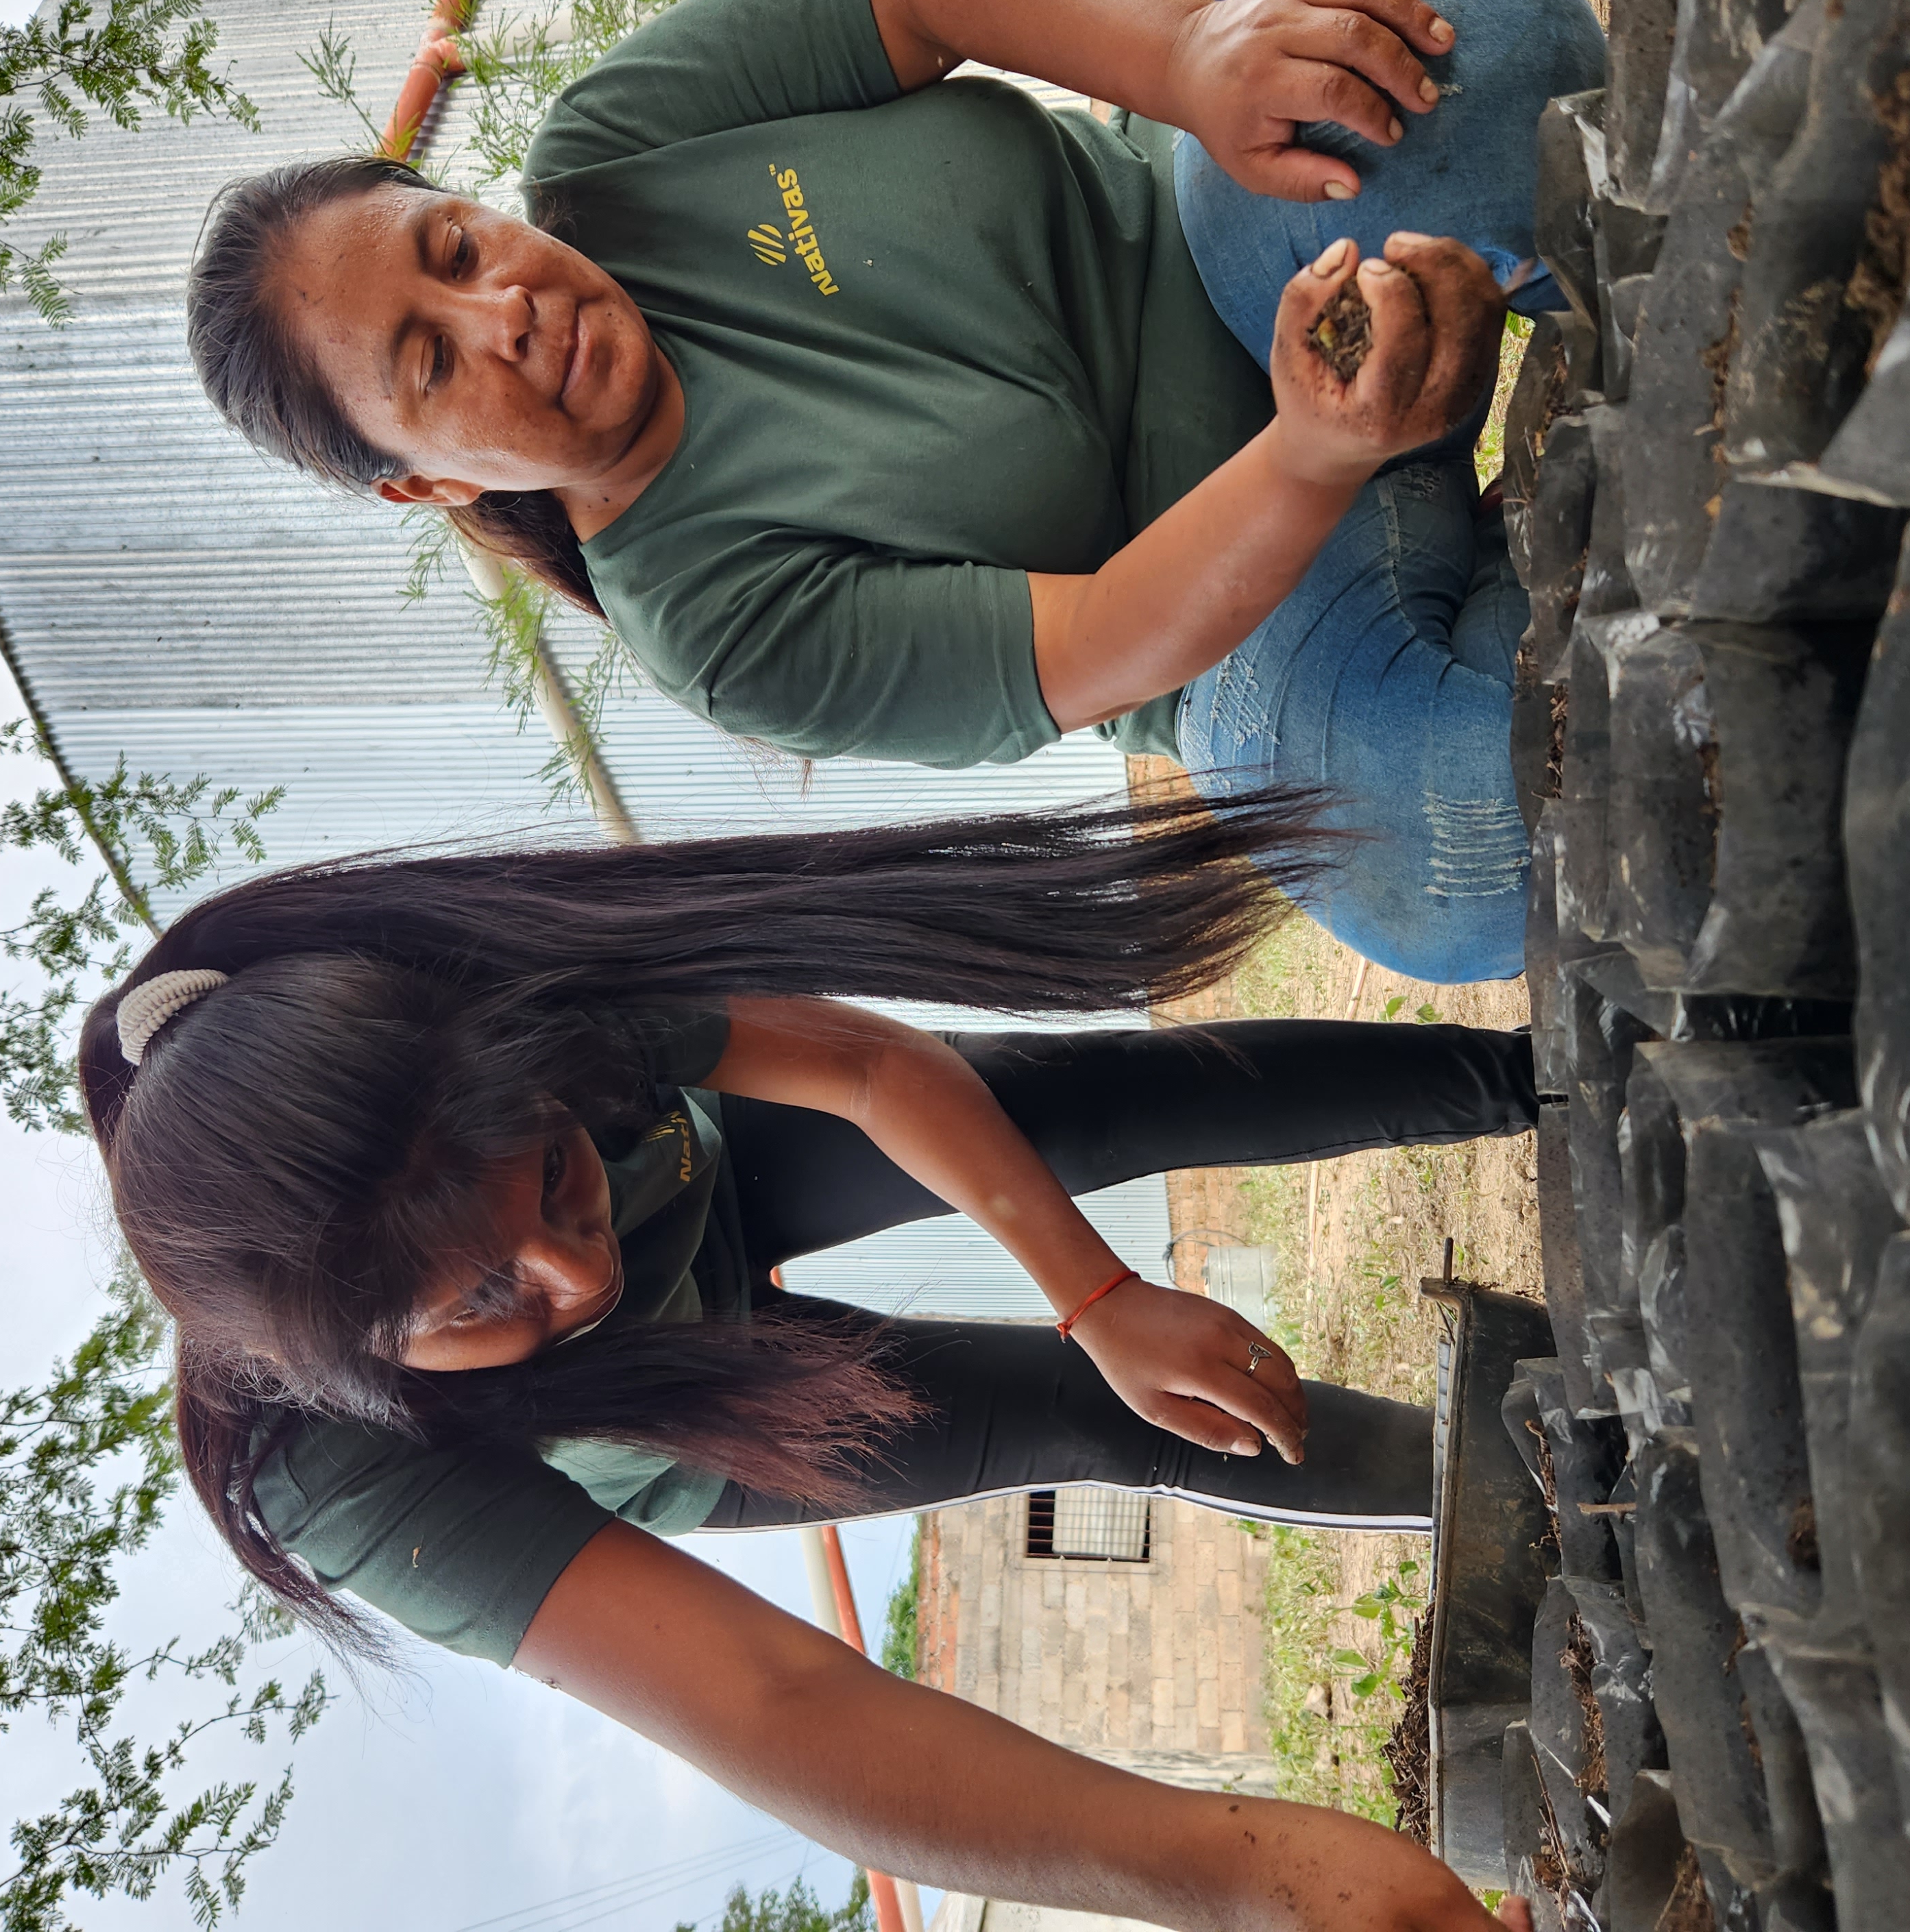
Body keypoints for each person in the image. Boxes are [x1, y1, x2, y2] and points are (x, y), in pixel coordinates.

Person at [83, 792, 1543, 1931]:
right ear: (370, 1364)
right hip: (677, 1434)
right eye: (482, 1295)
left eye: (545, 1169)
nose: (576, 1276)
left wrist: (1097, 1292)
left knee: (1092, 1103)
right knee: (1094, 1423)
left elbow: (860, 1068)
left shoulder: (478, 1004)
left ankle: (1553, 1075)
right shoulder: (324, 1467)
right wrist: (1244, 1879)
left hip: (714, 1168)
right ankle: (1540, 1481)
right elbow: (785, 1707)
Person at [185, 0, 1606, 982]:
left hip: (1227, 231)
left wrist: (1190, 52)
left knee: (1465, 31)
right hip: (1251, 614)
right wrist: (1312, 449)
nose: (503, 306)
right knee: (1447, 852)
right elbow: (1105, 634)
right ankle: (1533, 534)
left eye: (451, 242)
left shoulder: (614, 151)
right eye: (431, 358)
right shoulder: (714, 628)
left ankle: (1532, 402)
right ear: (424, 480)